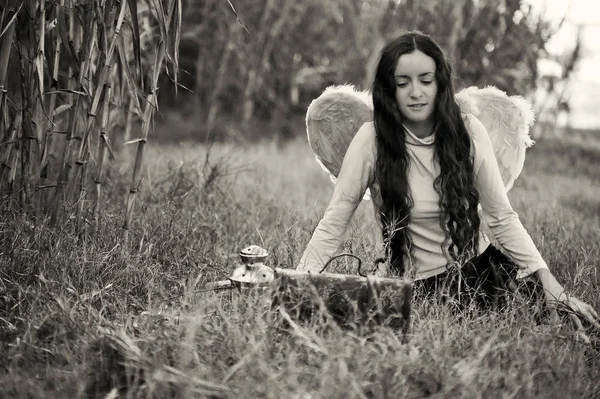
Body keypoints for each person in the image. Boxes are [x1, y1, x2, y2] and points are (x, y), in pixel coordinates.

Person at [296, 31, 599, 327]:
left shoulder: (468, 131)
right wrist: (298, 281)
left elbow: (501, 217)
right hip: (413, 291)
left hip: (480, 275)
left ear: (440, 82)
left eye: (426, 80)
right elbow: (336, 218)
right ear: (390, 89)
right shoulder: (371, 139)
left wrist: (549, 282)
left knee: (573, 327)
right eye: (403, 83)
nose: (416, 92)